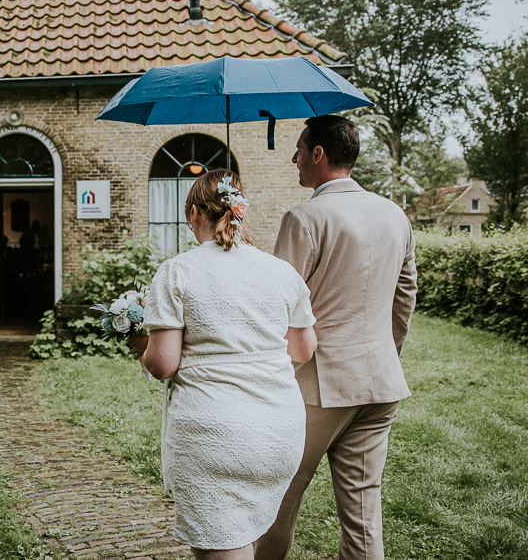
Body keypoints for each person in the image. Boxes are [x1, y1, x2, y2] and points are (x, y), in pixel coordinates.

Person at [129, 170, 318, 560]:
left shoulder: (178, 270)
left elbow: (163, 363)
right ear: (238, 212)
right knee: (255, 532)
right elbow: (302, 350)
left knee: (224, 543)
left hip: (215, 436)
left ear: (195, 213)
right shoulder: (282, 272)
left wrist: (141, 346)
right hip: (279, 433)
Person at [255, 115, 417, 560]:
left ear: (318, 154)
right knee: (364, 513)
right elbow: (405, 298)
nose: (294, 160)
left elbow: (277, 305)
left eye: (299, 151)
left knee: (276, 498)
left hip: (317, 388)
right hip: (381, 382)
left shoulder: (304, 217)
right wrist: (385, 351)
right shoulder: (395, 214)